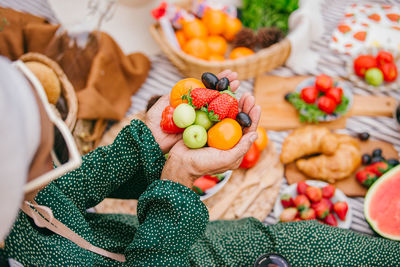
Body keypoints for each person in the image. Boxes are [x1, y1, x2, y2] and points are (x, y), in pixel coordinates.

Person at [0, 57, 399, 267]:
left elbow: (65, 189)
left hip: (225, 244)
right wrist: (176, 184)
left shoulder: (17, 198)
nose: (55, 169)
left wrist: (147, 144)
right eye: (48, 156)